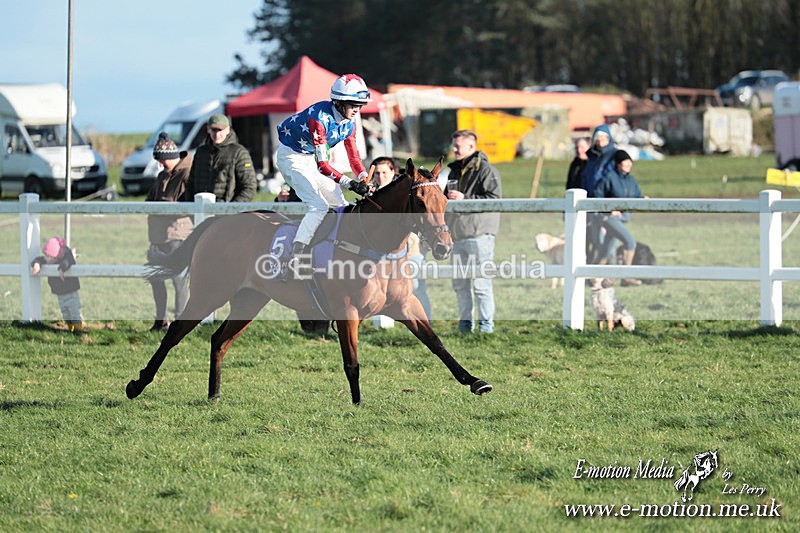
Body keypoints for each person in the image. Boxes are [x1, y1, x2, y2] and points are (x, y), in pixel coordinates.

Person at [275, 74, 372, 278]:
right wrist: (350, 183)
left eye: (360, 105)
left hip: (310, 158)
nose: (357, 109)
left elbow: (354, 156)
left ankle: (334, 249)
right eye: (353, 104)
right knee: (318, 206)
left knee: (340, 204)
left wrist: (363, 176)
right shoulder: (319, 119)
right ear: (338, 102)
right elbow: (323, 166)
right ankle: (295, 258)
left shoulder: (350, 122)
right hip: (291, 158)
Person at [445, 130, 502, 334]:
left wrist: (465, 199)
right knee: (460, 285)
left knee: (481, 284)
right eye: (454, 145)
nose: (454, 149)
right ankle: (465, 327)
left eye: (457, 146)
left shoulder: (486, 170)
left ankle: (486, 328)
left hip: (479, 236)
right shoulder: (453, 171)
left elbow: (495, 200)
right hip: (456, 236)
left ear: (471, 147)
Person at [369, 156, 433, 320]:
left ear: (394, 172)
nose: (380, 177)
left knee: (415, 287)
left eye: (384, 172)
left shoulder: (406, 192)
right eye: (377, 173)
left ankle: (426, 321)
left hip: (409, 249)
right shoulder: (370, 194)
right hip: (382, 252)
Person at [145, 133, 193, 332]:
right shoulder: (161, 176)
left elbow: (188, 203)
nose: (160, 164)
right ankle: (160, 321)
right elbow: (149, 201)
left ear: (170, 156)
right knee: (155, 277)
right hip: (158, 235)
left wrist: (164, 206)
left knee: (178, 279)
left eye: (162, 160)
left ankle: (180, 322)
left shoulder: (187, 174)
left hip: (177, 234)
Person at [594, 149, 648, 286]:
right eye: (625, 162)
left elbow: (635, 196)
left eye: (630, 162)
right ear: (618, 164)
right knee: (630, 242)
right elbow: (597, 195)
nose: (628, 165)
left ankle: (592, 276)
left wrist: (642, 198)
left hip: (622, 218)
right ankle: (626, 276)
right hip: (609, 218)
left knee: (606, 250)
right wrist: (609, 210)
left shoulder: (631, 180)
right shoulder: (609, 177)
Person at [184, 114, 256, 203]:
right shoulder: (200, 153)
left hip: (226, 208)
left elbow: (249, 187)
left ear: (228, 130)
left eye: (220, 130)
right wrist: (191, 206)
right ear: (208, 129)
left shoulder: (239, 153)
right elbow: (190, 184)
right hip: (200, 207)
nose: (217, 134)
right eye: (214, 130)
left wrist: (232, 208)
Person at [30, 237, 83, 332]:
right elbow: (40, 259)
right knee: (66, 314)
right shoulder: (49, 260)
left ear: (55, 256)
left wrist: (62, 268)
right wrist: (37, 264)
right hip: (60, 294)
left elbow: (68, 260)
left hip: (71, 292)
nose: (45, 258)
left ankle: (78, 330)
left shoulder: (67, 257)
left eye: (47, 256)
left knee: (74, 312)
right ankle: (71, 329)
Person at [581, 125, 617, 263]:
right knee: (597, 240)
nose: (600, 141)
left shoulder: (614, 156)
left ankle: (611, 270)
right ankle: (599, 272)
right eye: (598, 138)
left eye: (603, 138)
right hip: (592, 205)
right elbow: (586, 179)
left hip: (608, 205)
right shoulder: (591, 158)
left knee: (609, 240)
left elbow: (616, 180)